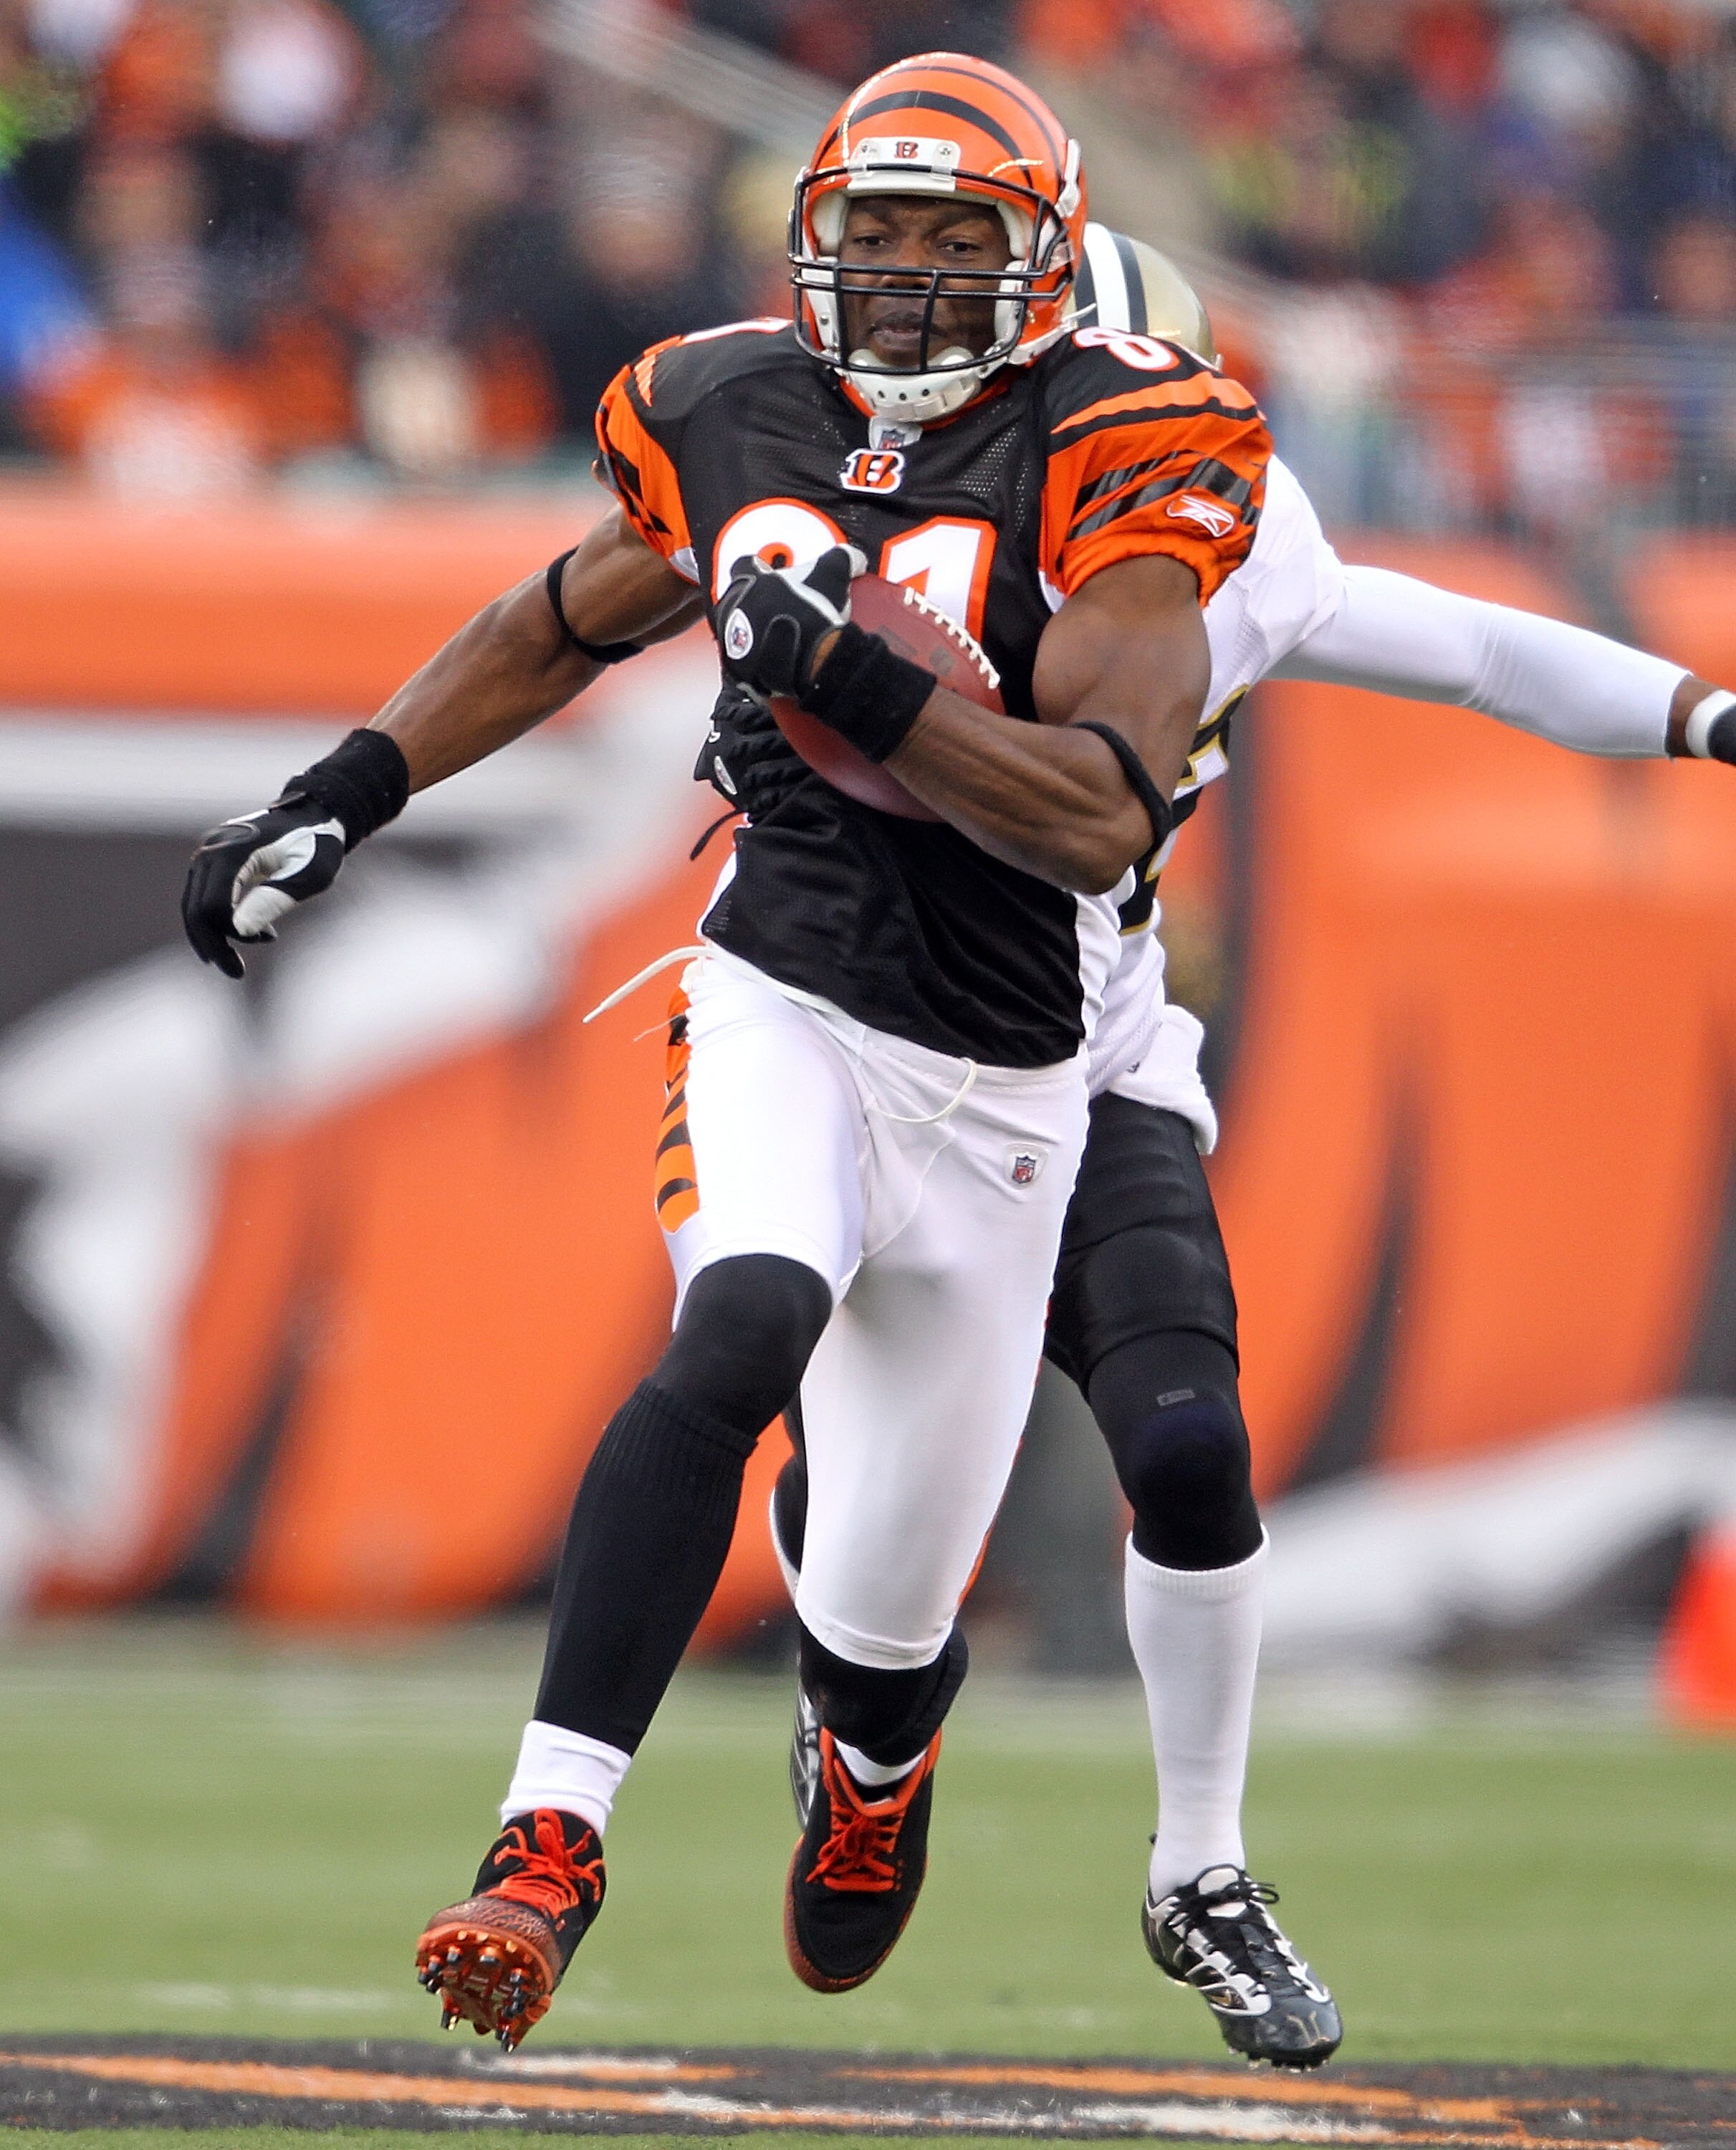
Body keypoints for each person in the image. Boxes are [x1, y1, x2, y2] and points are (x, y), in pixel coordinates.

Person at [180, 55, 1294, 2058]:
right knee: (741, 1320)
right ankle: (547, 1844)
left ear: (1046, 266)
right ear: (814, 234)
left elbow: (1099, 814)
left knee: (881, 1623)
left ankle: (870, 1752)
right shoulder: (727, 402)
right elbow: (568, 613)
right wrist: (344, 788)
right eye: (881, 230)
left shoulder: (1128, 444)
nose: (912, 275)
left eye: (963, 239)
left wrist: (855, 668)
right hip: (780, 983)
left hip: (1011, 1073)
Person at [705, 223, 1736, 2070]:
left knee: (1189, 1443)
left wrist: (1707, 715)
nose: (1151, 461)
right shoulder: (893, 514)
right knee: (864, 1548)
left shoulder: (1223, 533)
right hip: (864, 1054)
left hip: (1088, 1075)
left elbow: (1486, 651)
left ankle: (1204, 1870)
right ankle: (862, 1710)